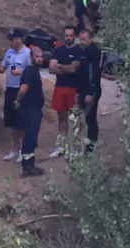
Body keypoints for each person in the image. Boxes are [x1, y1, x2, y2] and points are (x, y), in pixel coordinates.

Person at [47, 25, 84, 158]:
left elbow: (74, 69)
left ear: (74, 36)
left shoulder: (79, 50)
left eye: (71, 35)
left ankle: (77, 147)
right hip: (60, 87)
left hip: (74, 88)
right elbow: (51, 69)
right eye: (66, 35)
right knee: (61, 119)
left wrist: (60, 66)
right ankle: (61, 146)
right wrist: (65, 68)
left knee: (75, 119)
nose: (68, 38)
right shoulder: (58, 50)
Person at [12, 44, 46, 177]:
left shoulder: (33, 70)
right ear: (32, 57)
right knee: (29, 139)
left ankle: (30, 165)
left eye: (42, 56)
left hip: (34, 109)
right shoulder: (30, 71)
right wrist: (18, 101)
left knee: (31, 139)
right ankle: (27, 168)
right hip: (30, 111)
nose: (40, 59)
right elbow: (23, 89)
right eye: (37, 56)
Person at [0, 28, 30, 162]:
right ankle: (15, 149)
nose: (9, 42)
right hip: (10, 89)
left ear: (19, 39)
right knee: (12, 122)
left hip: (22, 90)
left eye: (12, 39)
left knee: (22, 121)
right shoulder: (9, 52)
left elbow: (32, 73)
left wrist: (21, 73)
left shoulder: (28, 53)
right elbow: (2, 69)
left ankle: (24, 150)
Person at [77, 28, 103, 153]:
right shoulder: (83, 51)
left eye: (84, 39)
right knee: (87, 118)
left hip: (91, 91)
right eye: (80, 39)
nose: (82, 42)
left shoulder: (94, 52)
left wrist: (90, 92)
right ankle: (88, 144)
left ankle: (91, 146)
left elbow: (95, 74)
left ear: (90, 39)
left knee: (90, 117)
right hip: (83, 89)